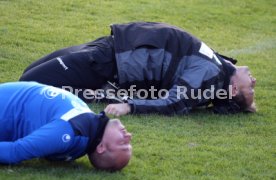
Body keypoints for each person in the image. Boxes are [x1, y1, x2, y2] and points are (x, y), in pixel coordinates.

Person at [19, 22, 256, 116]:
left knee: (29, 81)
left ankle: (96, 94)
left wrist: (129, 106)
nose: (254, 81)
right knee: (31, 74)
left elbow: (172, 102)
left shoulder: (210, 76)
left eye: (250, 90)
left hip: (106, 62)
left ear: (234, 89)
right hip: (109, 47)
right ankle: (96, 93)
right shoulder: (221, 67)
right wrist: (240, 104)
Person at [0, 82, 132, 171]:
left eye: (123, 144)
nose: (128, 136)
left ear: (101, 148)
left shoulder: (68, 132)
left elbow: (14, 152)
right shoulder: (86, 126)